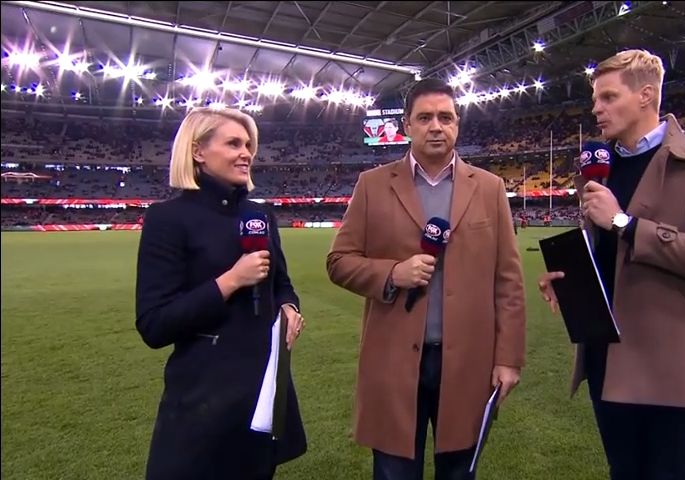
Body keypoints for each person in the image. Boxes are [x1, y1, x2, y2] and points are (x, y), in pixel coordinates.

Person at [538, 50, 685, 479]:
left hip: (668, 360)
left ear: (646, 95)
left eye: (608, 97)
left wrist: (624, 222)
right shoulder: (598, 165)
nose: (596, 109)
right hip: (605, 355)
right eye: (595, 99)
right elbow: (607, 251)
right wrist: (572, 277)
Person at [326, 78, 526, 480]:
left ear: (457, 124)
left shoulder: (490, 188)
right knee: (395, 472)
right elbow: (339, 261)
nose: (436, 126)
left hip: (468, 363)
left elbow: (508, 282)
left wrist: (508, 359)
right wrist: (393, 273)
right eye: (425, 118)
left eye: (445, 117)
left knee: (458, 472)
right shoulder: (372, 185)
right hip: (394, 362)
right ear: (407, 125)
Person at [135, 107, 308, 480]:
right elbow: (154, 324)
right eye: (233, 144)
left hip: (260, 396)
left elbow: (281, 284)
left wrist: (289, 308)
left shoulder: (261, 216)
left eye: (248, 145)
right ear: (198, 151)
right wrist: (229, 281)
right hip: (201, 403)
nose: (246, 153)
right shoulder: (167, 219)